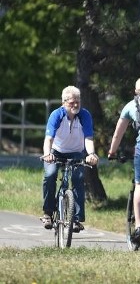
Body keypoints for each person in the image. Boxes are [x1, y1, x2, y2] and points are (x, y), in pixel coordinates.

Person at [107, 77, 140, 246]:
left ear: (136, 91)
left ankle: (138, 227)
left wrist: (112, 151)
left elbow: (118, 133)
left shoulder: (130, 105)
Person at [41, 86, 99, 231]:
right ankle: (48, 213)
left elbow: (88, 138)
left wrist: (91, 154)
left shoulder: (84, 115)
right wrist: (48, 154)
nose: (75, 105)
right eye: (72, 102)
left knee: (78, 179)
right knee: (50, 175)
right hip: (56, 151)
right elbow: (48, 139)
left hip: (76, 152)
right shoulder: (56, 115)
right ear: (64, 102)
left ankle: (77, 219)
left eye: (78, 102)